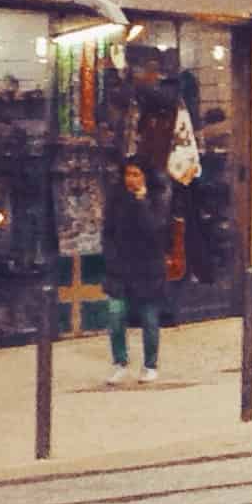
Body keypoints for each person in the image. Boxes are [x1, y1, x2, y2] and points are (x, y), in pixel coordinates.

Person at [102, 159, 167, 385]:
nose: (132, 179)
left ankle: (150, 365)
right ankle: (119, 363)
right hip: (120, 268)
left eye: (137, 174)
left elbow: (154, 229)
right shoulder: (116, 200)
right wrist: (111, 258)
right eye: (128, 174)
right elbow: (108, 231)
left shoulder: (157, 199)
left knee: (149, 317)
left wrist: (141, 201)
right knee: (116, 314)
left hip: (148, 268)